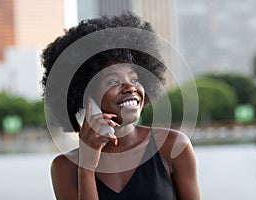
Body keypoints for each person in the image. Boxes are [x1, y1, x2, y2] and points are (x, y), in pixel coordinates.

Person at [41, 12, 200, 200]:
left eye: (134, 78)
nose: (130, 87)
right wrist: (86, 168)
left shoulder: (173, 146)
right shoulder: (65, 167)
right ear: (85, 95)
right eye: (112, 81)